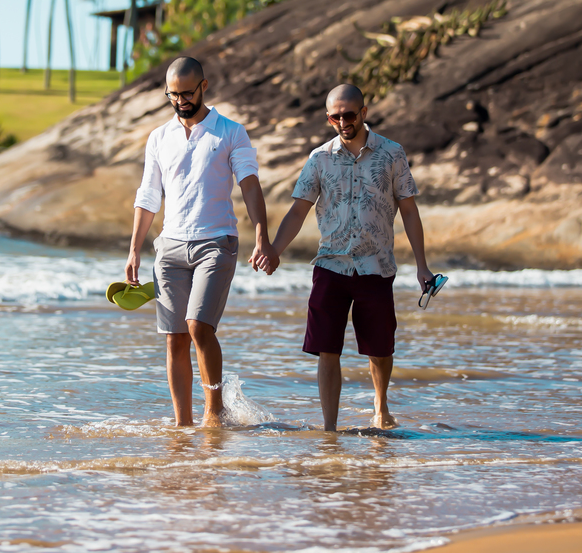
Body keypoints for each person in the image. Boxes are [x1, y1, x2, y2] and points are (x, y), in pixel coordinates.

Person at [269, 84, 434, 432]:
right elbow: (298, 211)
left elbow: (409, 210)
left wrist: (422, 265)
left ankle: (381, 403)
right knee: (327, 349)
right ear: (328, 117)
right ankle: (330, 427)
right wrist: (274, 250)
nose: (342, 121)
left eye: (348, 114)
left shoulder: (392, 153)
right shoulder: (319, 159)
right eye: (335, 116)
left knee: (380, 347)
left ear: (364, 112)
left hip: (376, 265)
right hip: (330, 265)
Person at [125, 56, 275, 428]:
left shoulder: (230, 132)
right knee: (175, 338)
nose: (179, 101)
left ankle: (214, 411)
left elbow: (250, 184)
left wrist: (261, 233)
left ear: (204, 86)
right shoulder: (159, 137)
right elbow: (148, 194)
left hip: (216, 243)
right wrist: (133, 250)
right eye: (172, 94)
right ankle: (182, 425)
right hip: (170, 247)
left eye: (186, 93)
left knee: (198, 326)